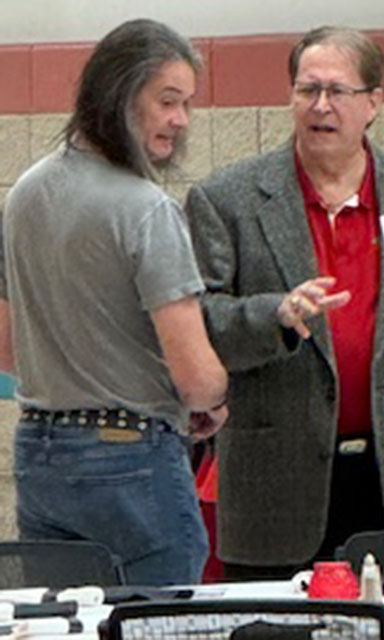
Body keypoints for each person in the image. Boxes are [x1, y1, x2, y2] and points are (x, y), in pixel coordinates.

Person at [184, 26, 384, 579]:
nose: (320, 106)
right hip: (276, 488)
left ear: (373, 103)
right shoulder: (227, 200)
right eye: (306, 89)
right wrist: (275, 315)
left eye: (337, 91)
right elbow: (200, 320)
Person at [0, 19, 227, 585]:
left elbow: (8, 351)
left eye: (187, 104)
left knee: (64, 622)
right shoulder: (146, 209)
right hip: (132, 457)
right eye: (167, 101)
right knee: (162, 621)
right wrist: (217, 400)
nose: (180, 120)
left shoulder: (24, 194)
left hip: (38, 451)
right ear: (120, 96)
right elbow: (196, 379)